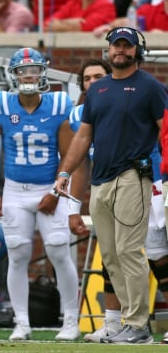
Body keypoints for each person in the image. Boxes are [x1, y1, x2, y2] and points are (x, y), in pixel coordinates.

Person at [55, 27, 166, 344]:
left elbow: (166, 130)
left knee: (130, 251)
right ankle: (121, 323)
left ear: (137, 51)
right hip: (100, 181)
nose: (120, 51)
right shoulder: (98, 90)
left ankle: (138, 325)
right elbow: (83, 136)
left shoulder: (150, 87)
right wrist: (65, 172)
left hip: (134, 176)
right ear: (108, 50)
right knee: (111, 255)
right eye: (115, 45)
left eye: (126, 46)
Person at [0, 47, 82, 341]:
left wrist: (56, 191)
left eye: (34, 70)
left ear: (43, 72)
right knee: (17, 255)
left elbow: (69, 156)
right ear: (12, 75)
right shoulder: (0, 104)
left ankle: (70, 321)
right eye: (22, 71)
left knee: (58, 250)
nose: (29, 75)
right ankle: (22, 322)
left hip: (48, 188)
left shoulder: (58, 104)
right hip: (14, 189)